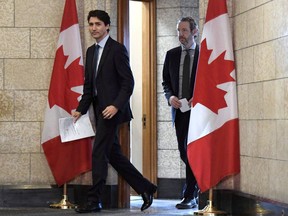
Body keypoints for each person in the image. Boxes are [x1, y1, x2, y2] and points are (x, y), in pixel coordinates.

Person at [73, 10, 157, 213]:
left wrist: (116, 105)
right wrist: (80, 110)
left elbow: (128, 83)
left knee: (99, 152)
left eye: (98, 24)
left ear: (107, 26)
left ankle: (94, 201)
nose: (94, 28)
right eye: (91, 24)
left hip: (112, 111)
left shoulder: (117, 49)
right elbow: (89, 86)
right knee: (113, 154)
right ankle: (146, 188)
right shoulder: (91, 52)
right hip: (98, 109)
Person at [162, 17, 199, 209]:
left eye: (184, 31)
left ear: (194, 32)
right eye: (179, 31)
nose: (180, 35)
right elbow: (166, 82)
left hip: (199, 112)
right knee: (184, 152)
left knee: (193, 151)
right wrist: (170, 97)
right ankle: (197, 187)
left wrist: (199, 97)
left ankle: (189, 194)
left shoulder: (203, 54)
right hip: (180, 111)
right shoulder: (171, 55)